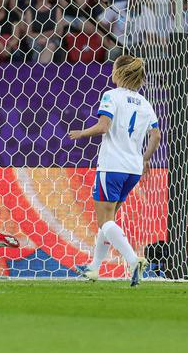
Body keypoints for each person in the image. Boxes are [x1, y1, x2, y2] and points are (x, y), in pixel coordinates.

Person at [68, 55, 161, 286]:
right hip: (133, 169)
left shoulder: (111, 96)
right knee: (109, 221)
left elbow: (103, 126)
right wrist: (144, 158)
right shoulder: (145, 104)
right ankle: (94, 268)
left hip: (112, 166)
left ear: (118, 73)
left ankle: (132, 260)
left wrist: (80, 133)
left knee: (105, 221)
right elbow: (156, 136)